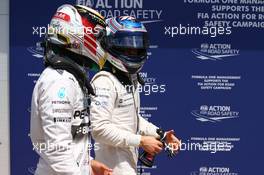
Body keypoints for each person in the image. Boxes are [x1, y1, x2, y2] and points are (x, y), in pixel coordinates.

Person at [90, 16, 181, 175]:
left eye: (137, 46)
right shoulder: (104, 81)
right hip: (111, 169)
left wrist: (162, 135)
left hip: (127, 167)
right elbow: (99, 129)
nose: (133, 51)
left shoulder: (129, 79)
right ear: (110, 44)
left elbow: (132, 119)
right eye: (127, 46)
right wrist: (141, 141)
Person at [30, 4, 112, 175]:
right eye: (99, 37)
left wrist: (88, 164)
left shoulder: (69, 78)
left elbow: (66, 143)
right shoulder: (59, 81)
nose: (101, 44)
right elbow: (57, 151)